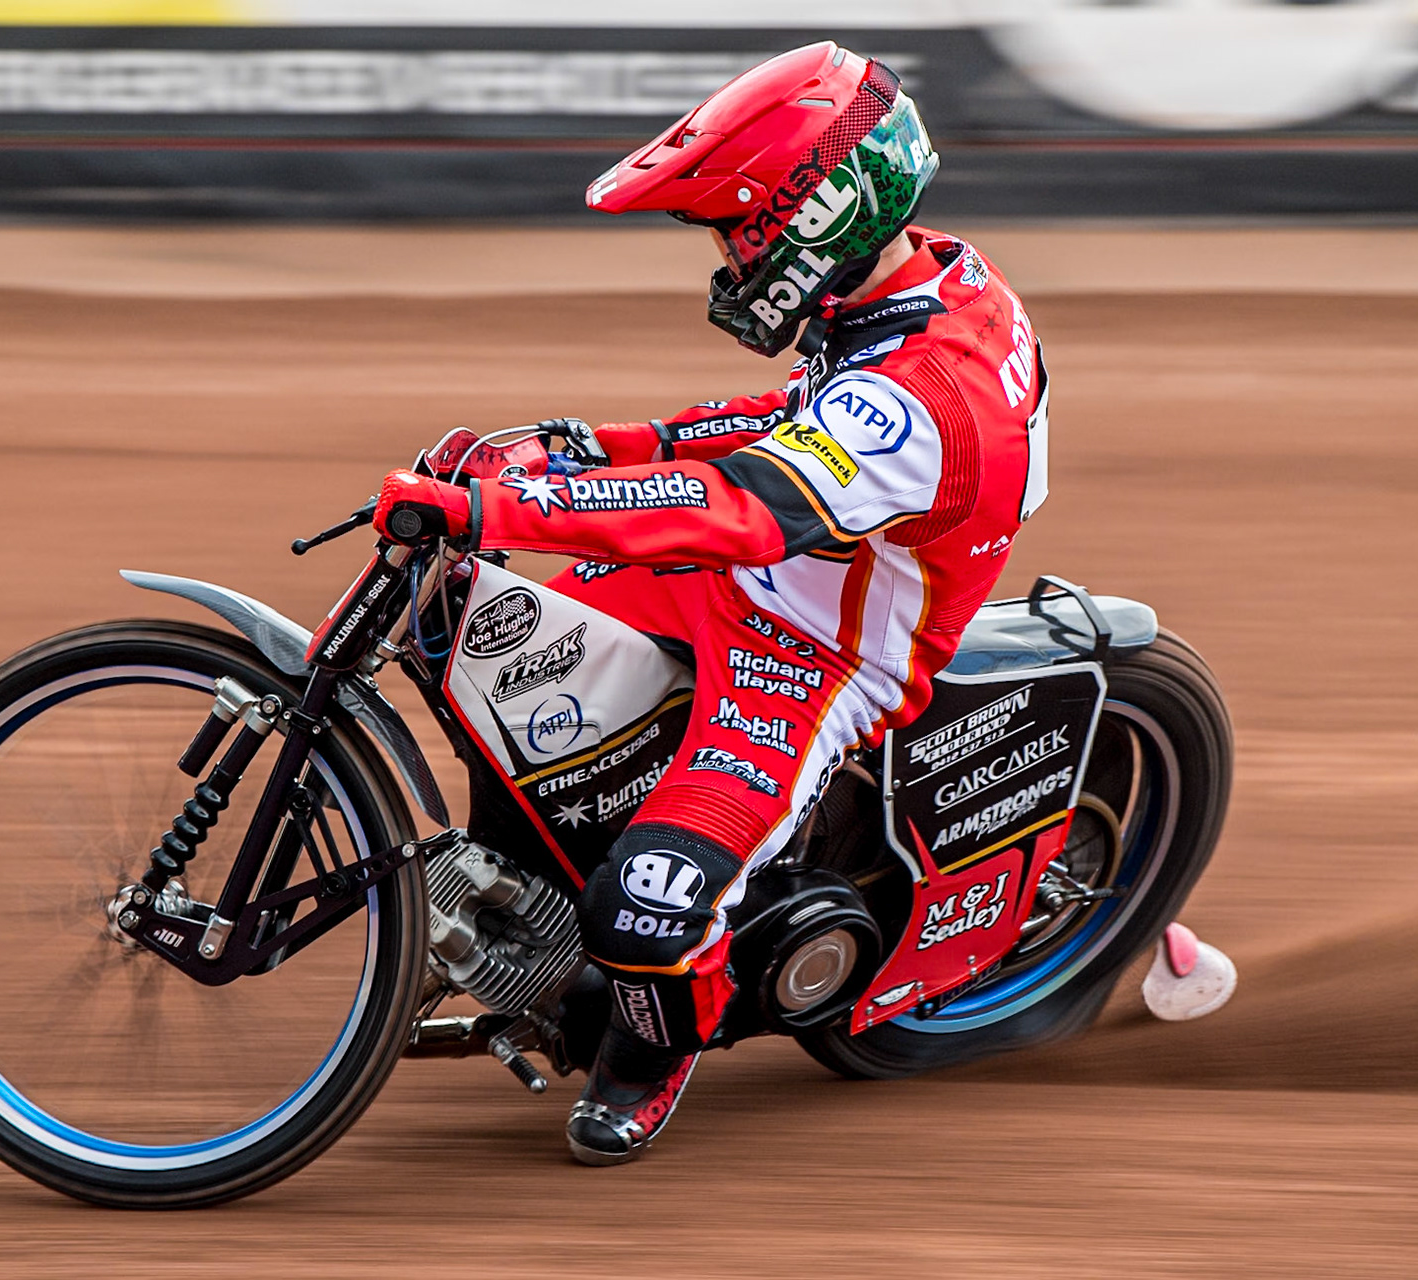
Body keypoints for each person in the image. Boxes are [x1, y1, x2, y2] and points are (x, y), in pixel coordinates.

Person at [371, 41, 1048, 1165]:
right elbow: (785, 417)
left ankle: (655, 1044)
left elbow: (743, 502)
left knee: (643, 902)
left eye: (742, 229)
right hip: (749, 574)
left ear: (822, 209)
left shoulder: (928, 398)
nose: (733, 259)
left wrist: (510, 505)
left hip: (813, 646)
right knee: (485, 640)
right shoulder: (920, 279)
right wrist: (580, 447)